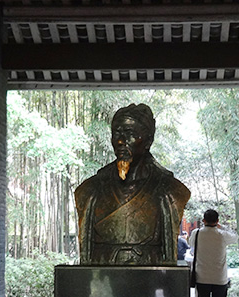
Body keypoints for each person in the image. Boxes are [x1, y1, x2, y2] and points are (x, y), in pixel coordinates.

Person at [75, 103, 190, 265]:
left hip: (149, 276)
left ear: (148, 141)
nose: (121, 141)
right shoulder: (91, 189)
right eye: (117, 134)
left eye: (129, 134)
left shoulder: (169, 190)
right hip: (103, 276)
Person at [188, 209, 238, 297]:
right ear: (217, 221)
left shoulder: (196, 233)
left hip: (202, 277)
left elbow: (191, 244)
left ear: (203, 221)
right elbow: (235, 237)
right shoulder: (222, 235)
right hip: (220, 278)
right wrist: (222, 227)